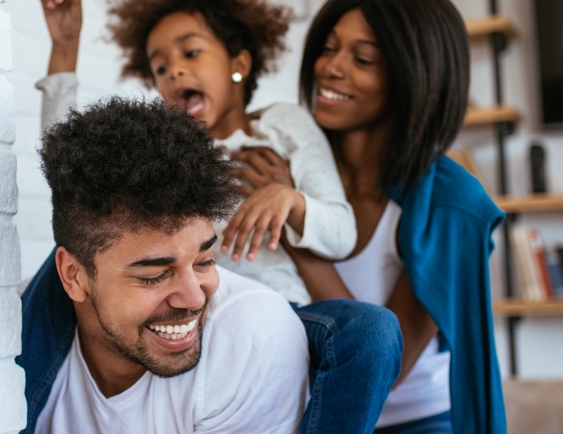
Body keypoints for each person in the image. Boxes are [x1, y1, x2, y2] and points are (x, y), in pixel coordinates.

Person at [18, 97, 402, 434]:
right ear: (72, 275)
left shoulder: (250, 331)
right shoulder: (13, 347)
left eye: (204, 261)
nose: (196, 296)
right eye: (154, 275)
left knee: (370, 332)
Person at [233, 0, 512, 434]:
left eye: (362, 59)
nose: (330, 68)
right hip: (306, 415)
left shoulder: (449, 204)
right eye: (327, 48)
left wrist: (299, 226)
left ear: (413, 75)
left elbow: (386, 365)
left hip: (418, 423)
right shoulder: (281, 160)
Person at [39, 0, 356, 306]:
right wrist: (65, 48)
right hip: (196, 312)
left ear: (239, 64)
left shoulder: (281, 125)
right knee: (66, 258)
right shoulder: (165, 154)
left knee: (372, 329)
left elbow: (342, 235)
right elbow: (70, 166)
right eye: (160, 67)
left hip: (285, 306)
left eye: (191, 52)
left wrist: (289, 200)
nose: (174, 70)